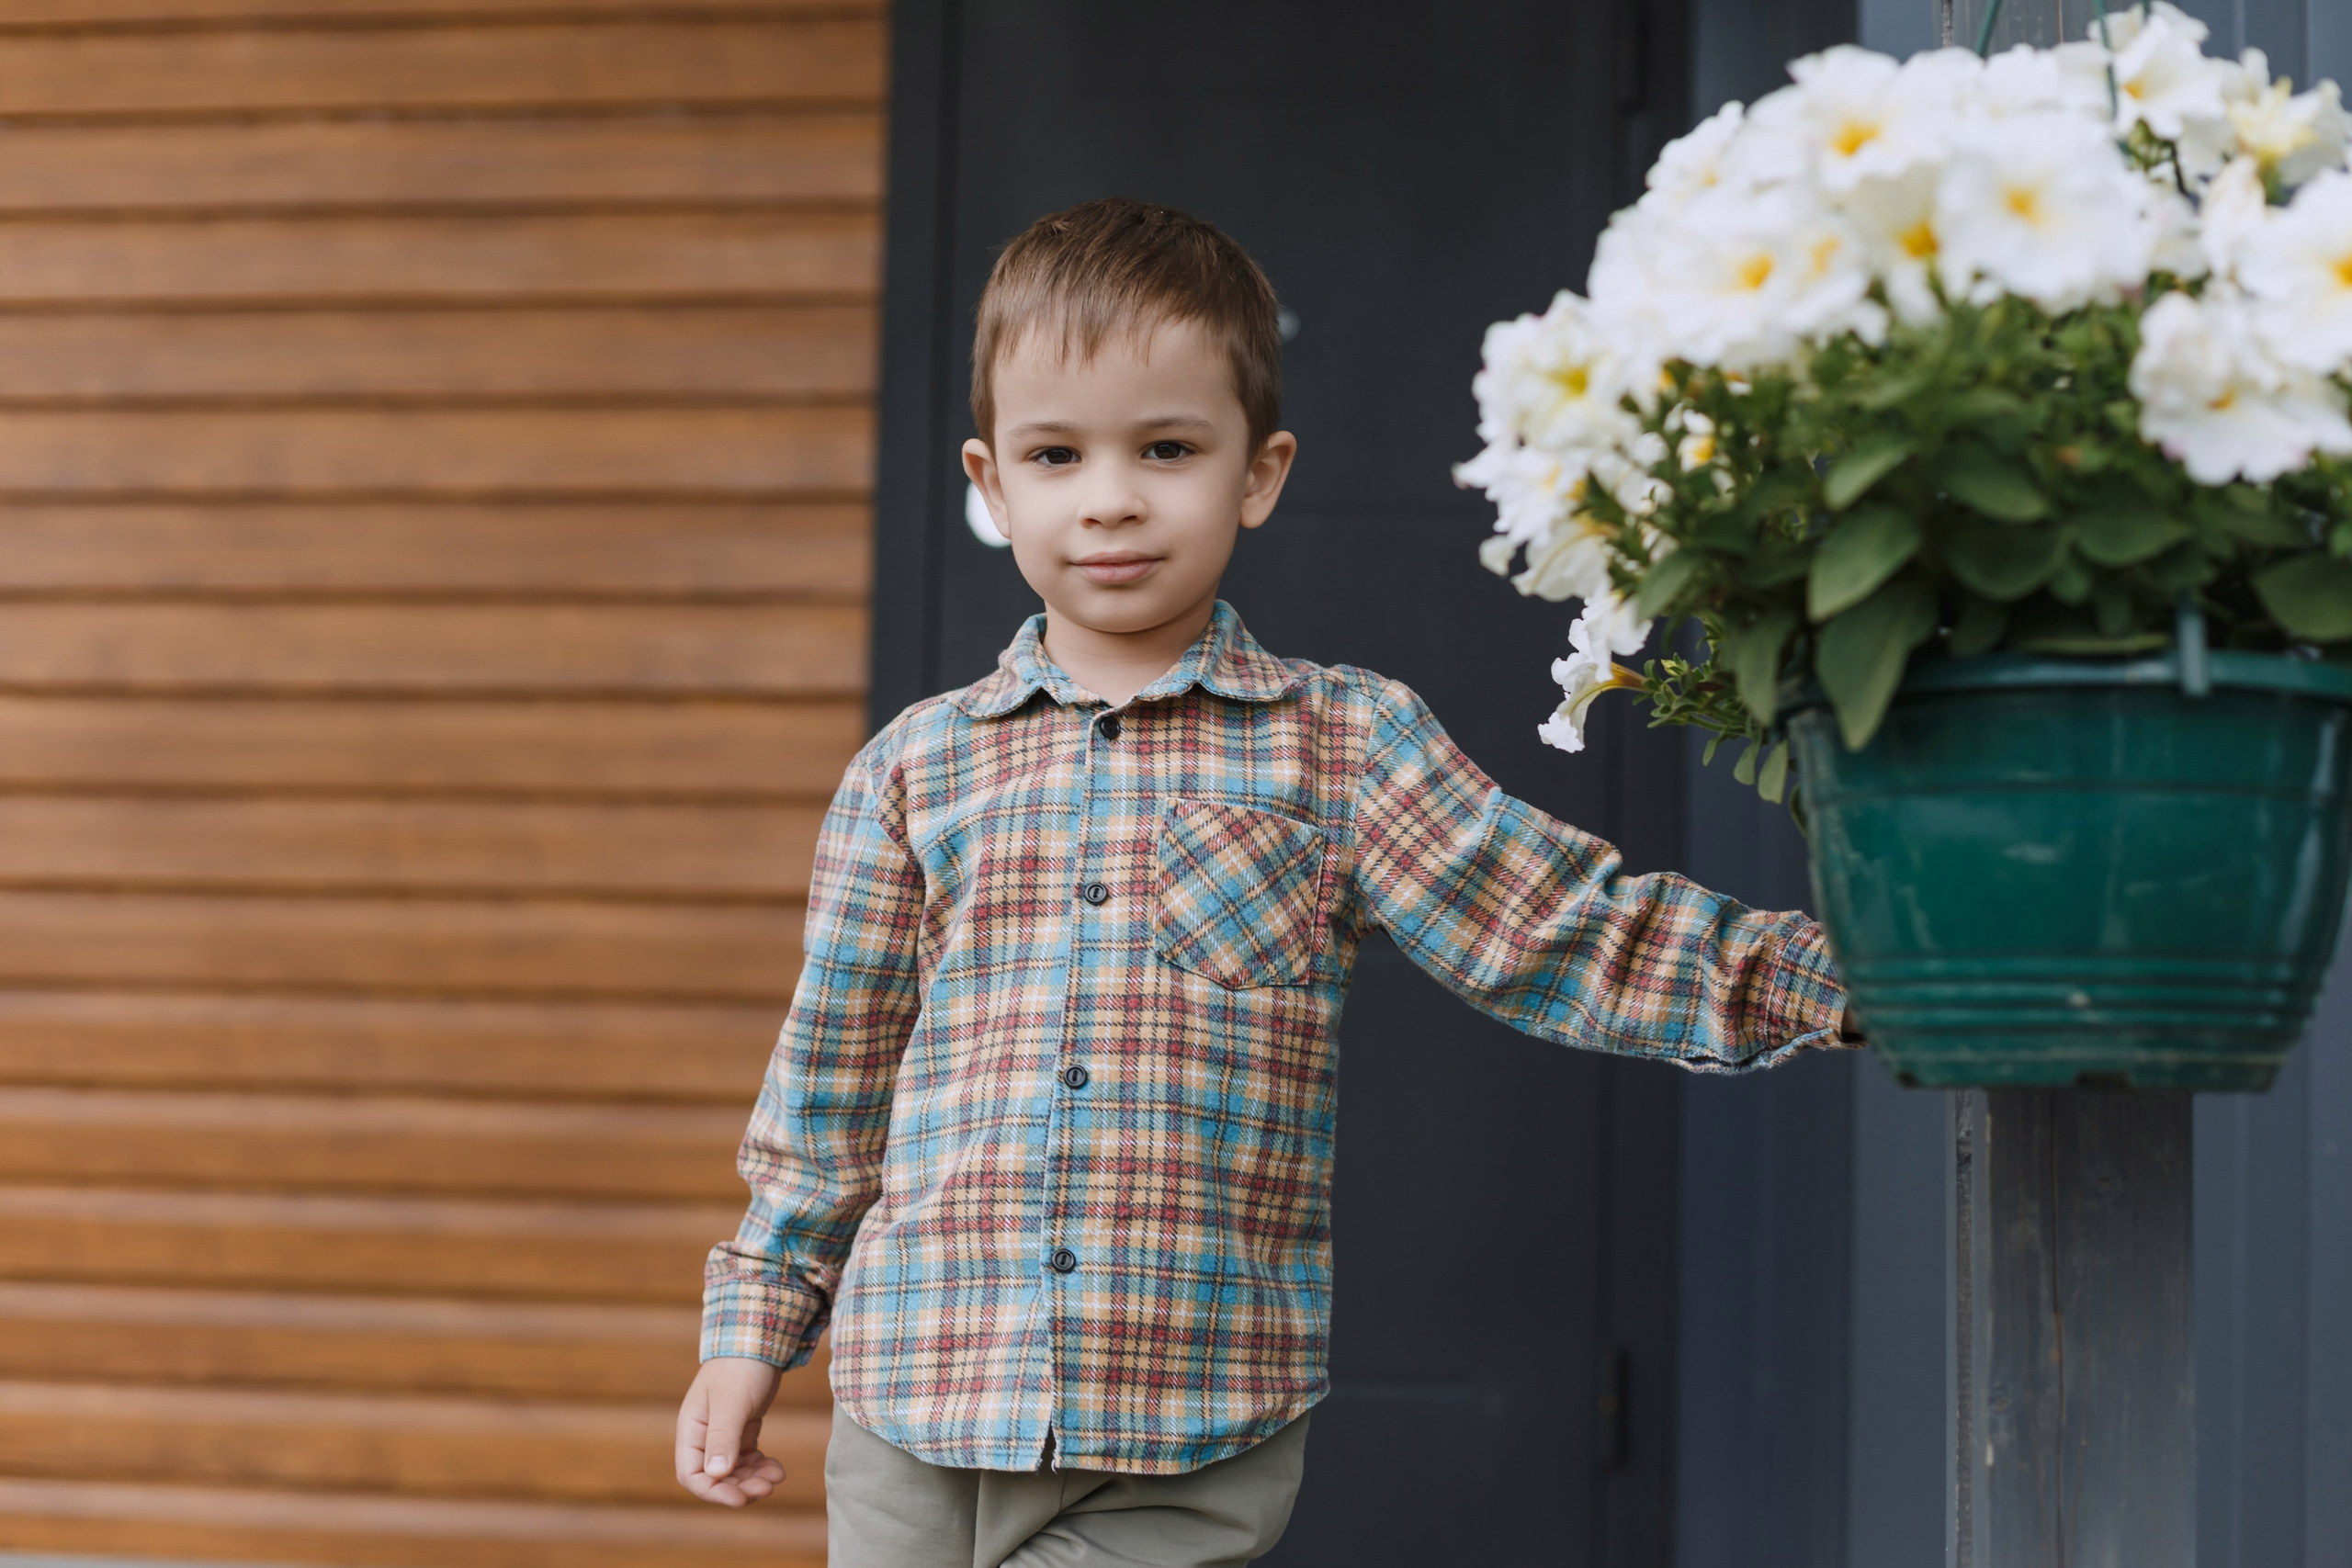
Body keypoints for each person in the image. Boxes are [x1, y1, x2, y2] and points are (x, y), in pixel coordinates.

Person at [673, 196, 1859, 1567]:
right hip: (920, 1393)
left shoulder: (1341, 742)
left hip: (1193, 1414)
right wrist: (753, 1331)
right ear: (992, 486)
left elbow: (1554, 926)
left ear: (1259, 471)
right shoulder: (912, 769)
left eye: (1167, 448)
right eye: (1056, 455)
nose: (1110, 497)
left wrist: (1836, 980)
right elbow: (831, 1081)